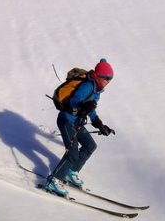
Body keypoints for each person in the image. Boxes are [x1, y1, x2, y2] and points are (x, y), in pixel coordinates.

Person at [43, 58, 115, 196]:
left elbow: (91, 109)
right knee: (72, 153)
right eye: (106, 78)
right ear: (99, 76)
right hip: (66, 120)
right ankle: (53, 180)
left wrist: (100, 125)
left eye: (110, 79)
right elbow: (74, 100)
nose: (108, 82)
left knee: (90, 146)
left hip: (77, 122)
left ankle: (71, 172)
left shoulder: (96, 90)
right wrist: (84, 106)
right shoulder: (88, 86)